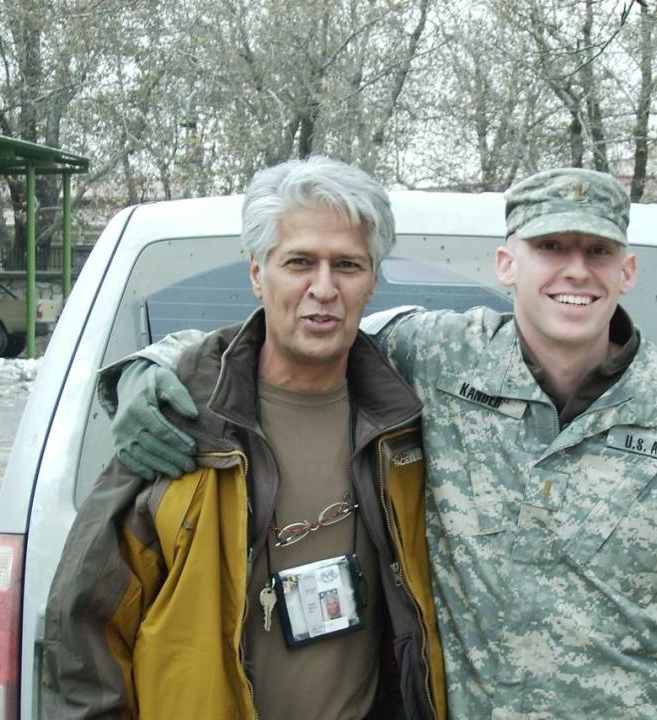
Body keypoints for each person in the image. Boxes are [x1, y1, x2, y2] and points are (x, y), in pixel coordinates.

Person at [105, 167, 657, 718]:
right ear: (508, 264)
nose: (575, 270)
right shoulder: (437, 361)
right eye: (550, 247)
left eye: (597, 251)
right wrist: (157, 365)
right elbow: (296, 333)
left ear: (626, 271)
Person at [41, 157, 447, 720]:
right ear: (258, 272)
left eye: (347, 265)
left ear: (372, 279)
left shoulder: (413, 423)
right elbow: (85, 627)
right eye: (299, 262)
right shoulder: (178, 416)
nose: (323, 288)